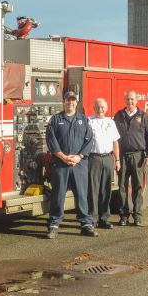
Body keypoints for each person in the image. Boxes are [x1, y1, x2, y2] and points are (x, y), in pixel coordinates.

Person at [45, 91, 97, 239]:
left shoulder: (83, 119)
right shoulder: (56, 119)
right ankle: (54, 224)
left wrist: (79, 157)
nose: (71, 103)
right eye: (68, 100)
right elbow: (51, 140)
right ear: (63, 102)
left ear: (77, 102)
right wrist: (62, 156)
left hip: (79, 164)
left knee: (81, 194)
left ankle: (86, 224)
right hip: (60, 163)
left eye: (73, 100)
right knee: (58, 194)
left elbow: (90, 140)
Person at [114, 90, 148, 227]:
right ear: (124, 100)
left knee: (137, 186)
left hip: (138, 156)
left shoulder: (143, 116)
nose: (130, 102)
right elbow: (114, 138)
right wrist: (115, 157)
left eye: (132, 99)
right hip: (123, 155)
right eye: (128, 99)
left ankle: (137, 216)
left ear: (137, 100)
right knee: (122, 187)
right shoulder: (119, 116)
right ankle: (123, 216)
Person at [87, 97, 120, 229]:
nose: (100, 109)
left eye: (102, 107)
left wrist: (117, 160)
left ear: (106, 108)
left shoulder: (110, 122)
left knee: (106, 190)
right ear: (93, 108)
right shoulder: (89, 121)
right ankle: (92, 219)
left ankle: (104, 219)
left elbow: (115, 142)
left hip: (107, 158)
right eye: (97, 107)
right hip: (93, 158)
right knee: (93, 190)